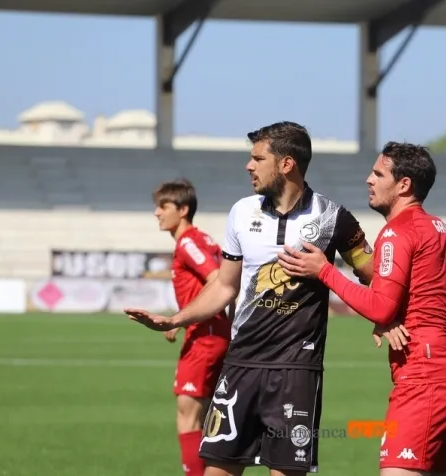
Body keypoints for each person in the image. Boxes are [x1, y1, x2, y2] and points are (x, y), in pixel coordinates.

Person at [126, 121, 388, 476]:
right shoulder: (241, 212)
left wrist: (386, 316)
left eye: (258, 158)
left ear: (286, 164)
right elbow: (224, 286)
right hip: (240, 365)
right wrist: (175, 319)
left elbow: (374, 274)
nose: (249, 166)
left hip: (296, 372)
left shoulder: (333, 218)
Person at [277, 141, 446, 476]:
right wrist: (395, 317)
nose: (368, 179)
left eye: (378, 174)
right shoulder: (444, 232)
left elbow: (381, 308)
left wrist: (324, 271)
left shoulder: (398, 231)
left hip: (424, 375)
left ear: (404, 185)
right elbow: (441, 309)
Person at [152, 179, 234, 476]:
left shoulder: (188, 243)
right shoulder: (203, 239)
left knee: (188, 418)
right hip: (213, 334)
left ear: (183, 209)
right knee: (210, 419)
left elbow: (217, 279)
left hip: (205, 338)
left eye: (164, 206)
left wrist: (183, 317)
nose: (157, 213)